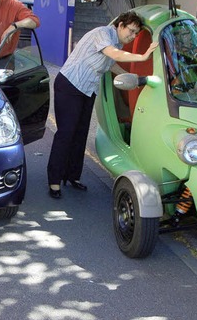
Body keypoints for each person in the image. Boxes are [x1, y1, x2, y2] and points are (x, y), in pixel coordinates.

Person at [46, 11, 158, 199]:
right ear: (120, 25)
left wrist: (134, 80)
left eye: (135, 34)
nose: (131, 36)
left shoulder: (117, 43)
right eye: (130, 31)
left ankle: (72, 176)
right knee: (66, 133)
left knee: (80, 134)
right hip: (70, 85)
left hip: (87, 89)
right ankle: (54, 181)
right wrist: (143, 56)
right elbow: (114, 55)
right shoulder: (103, 34)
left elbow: (112, 64)